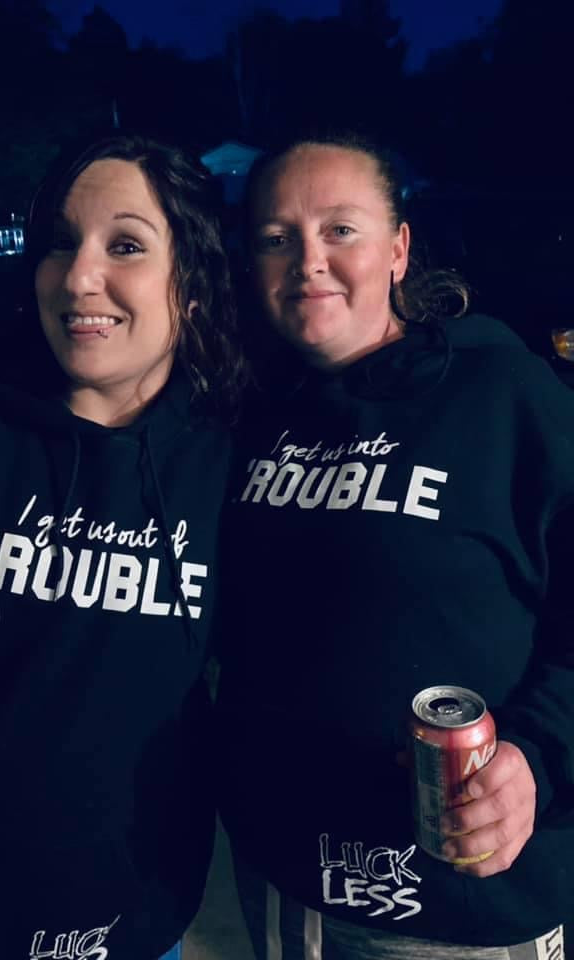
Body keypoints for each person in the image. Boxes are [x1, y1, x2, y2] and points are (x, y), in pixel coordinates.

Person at [0, 133, 245, 960]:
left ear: (193, 283)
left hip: (126, 931)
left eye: (125, 246)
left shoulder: (231, 465)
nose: (76, 278)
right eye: (61, 243)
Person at [213, 133, 574, 959]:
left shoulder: (502, 393)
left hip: (464, 908)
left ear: (399, 249)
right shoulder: (247, 412)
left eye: (340, 229)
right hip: (284, 884)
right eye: (277, 238)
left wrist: (540, 756)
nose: (309, 260)